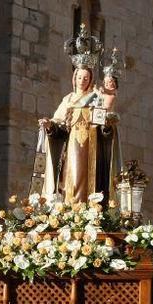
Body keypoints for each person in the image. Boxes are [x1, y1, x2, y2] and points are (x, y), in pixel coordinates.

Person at [37, 27, 120, 204]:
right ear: (74, 78)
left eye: (85, 78)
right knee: (69, 180)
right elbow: (60, 126)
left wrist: (107, 125)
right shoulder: (68, 99)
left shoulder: (97, 98)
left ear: (90, 80)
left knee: (93, 182)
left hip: (93, 150)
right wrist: (50, 126)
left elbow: (104, 126)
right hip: (71, 150)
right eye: (79, 77)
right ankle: (68, 210)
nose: (82, 81)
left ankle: (93, 211)